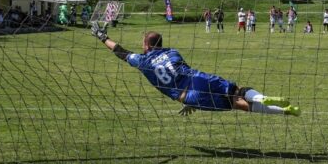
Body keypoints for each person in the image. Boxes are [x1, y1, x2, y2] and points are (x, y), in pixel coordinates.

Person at [90, 23, 300, 116]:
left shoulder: (143, 62)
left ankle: (283, 112)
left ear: (146, 45)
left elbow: (121, 52)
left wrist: (102, 37)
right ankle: (263, 97)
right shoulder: (173, 52)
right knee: (238, 91)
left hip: (187, 96)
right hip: (199, 79)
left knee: (237, 105)